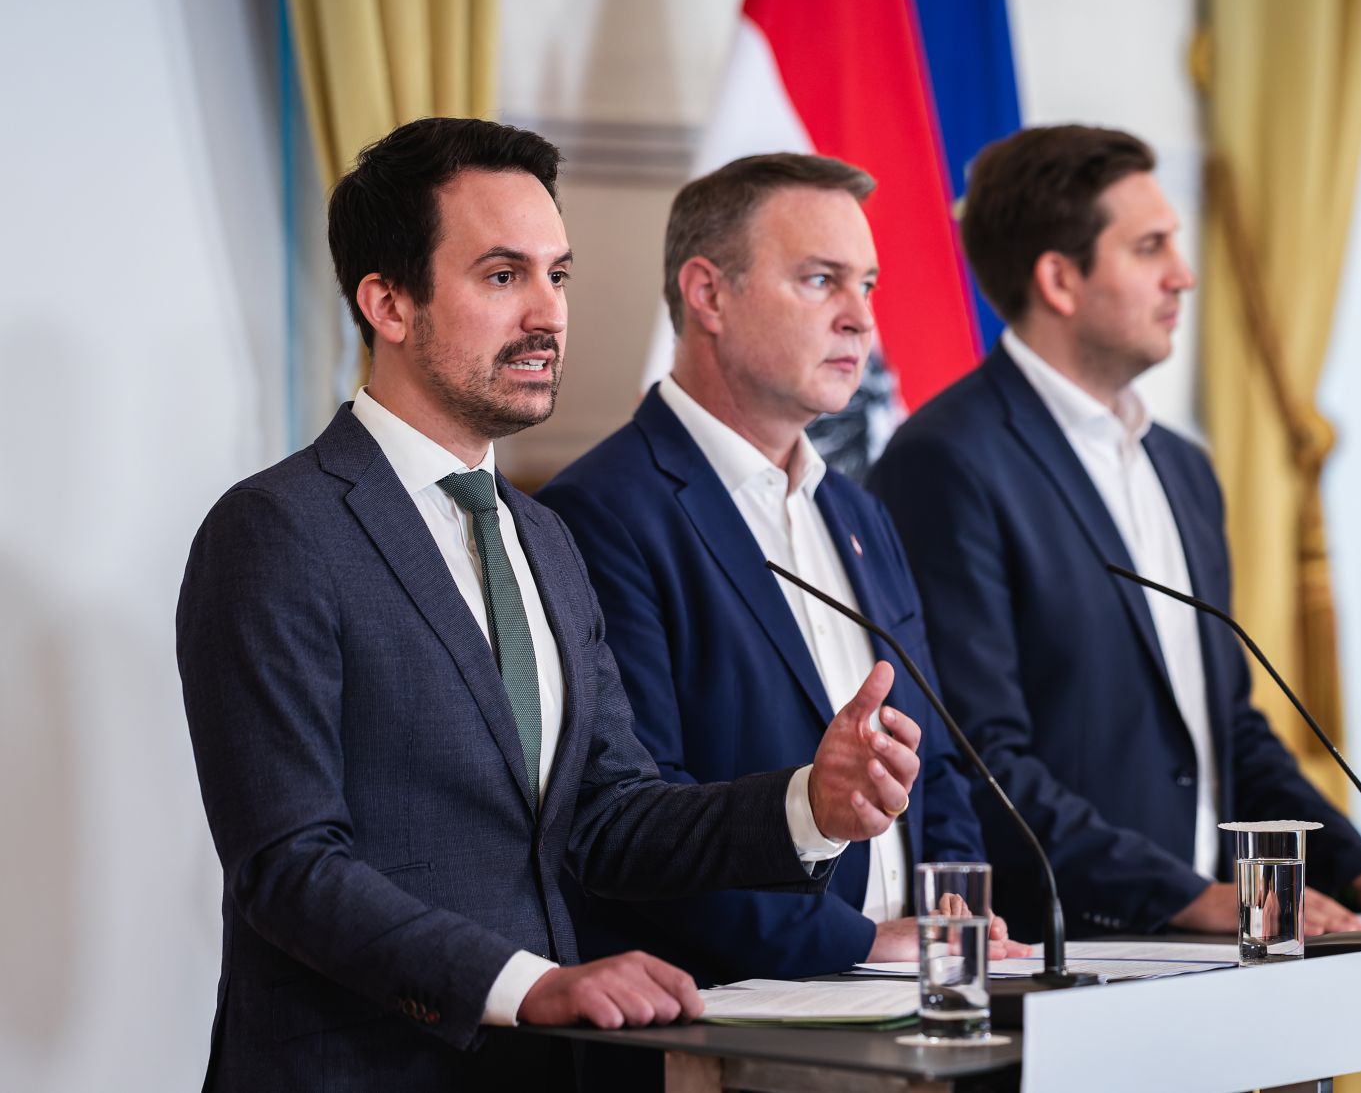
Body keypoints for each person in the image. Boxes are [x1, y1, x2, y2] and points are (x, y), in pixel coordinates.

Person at [176, 118, 921, 1092]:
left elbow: (610, 817)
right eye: (502, 275)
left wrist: (805, 805)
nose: (548, 313)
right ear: (388, 302)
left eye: (557, 275)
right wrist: (527, 986)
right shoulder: (278, 529)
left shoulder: (543, 538)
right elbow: (289, 865)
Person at [867, 125, 1361, 941]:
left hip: (1207, 951)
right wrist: (1185, 897)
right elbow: (979, 760)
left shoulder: (1182, 469)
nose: (1185, 273)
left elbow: (1226, 730)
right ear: (1060, 279)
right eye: (1150, 247)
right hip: (1062, 954)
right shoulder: (947, 462)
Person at [538, 153, 1024, 982]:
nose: (860, 320)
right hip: (737, 1007)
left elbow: (935, 761)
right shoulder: (599, 513)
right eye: (821, 280)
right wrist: (854, 944)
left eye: (867, 286)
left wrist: (955, 909)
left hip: (922, 986)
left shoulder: (861, 514)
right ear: (708, 293)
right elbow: (634, 815)